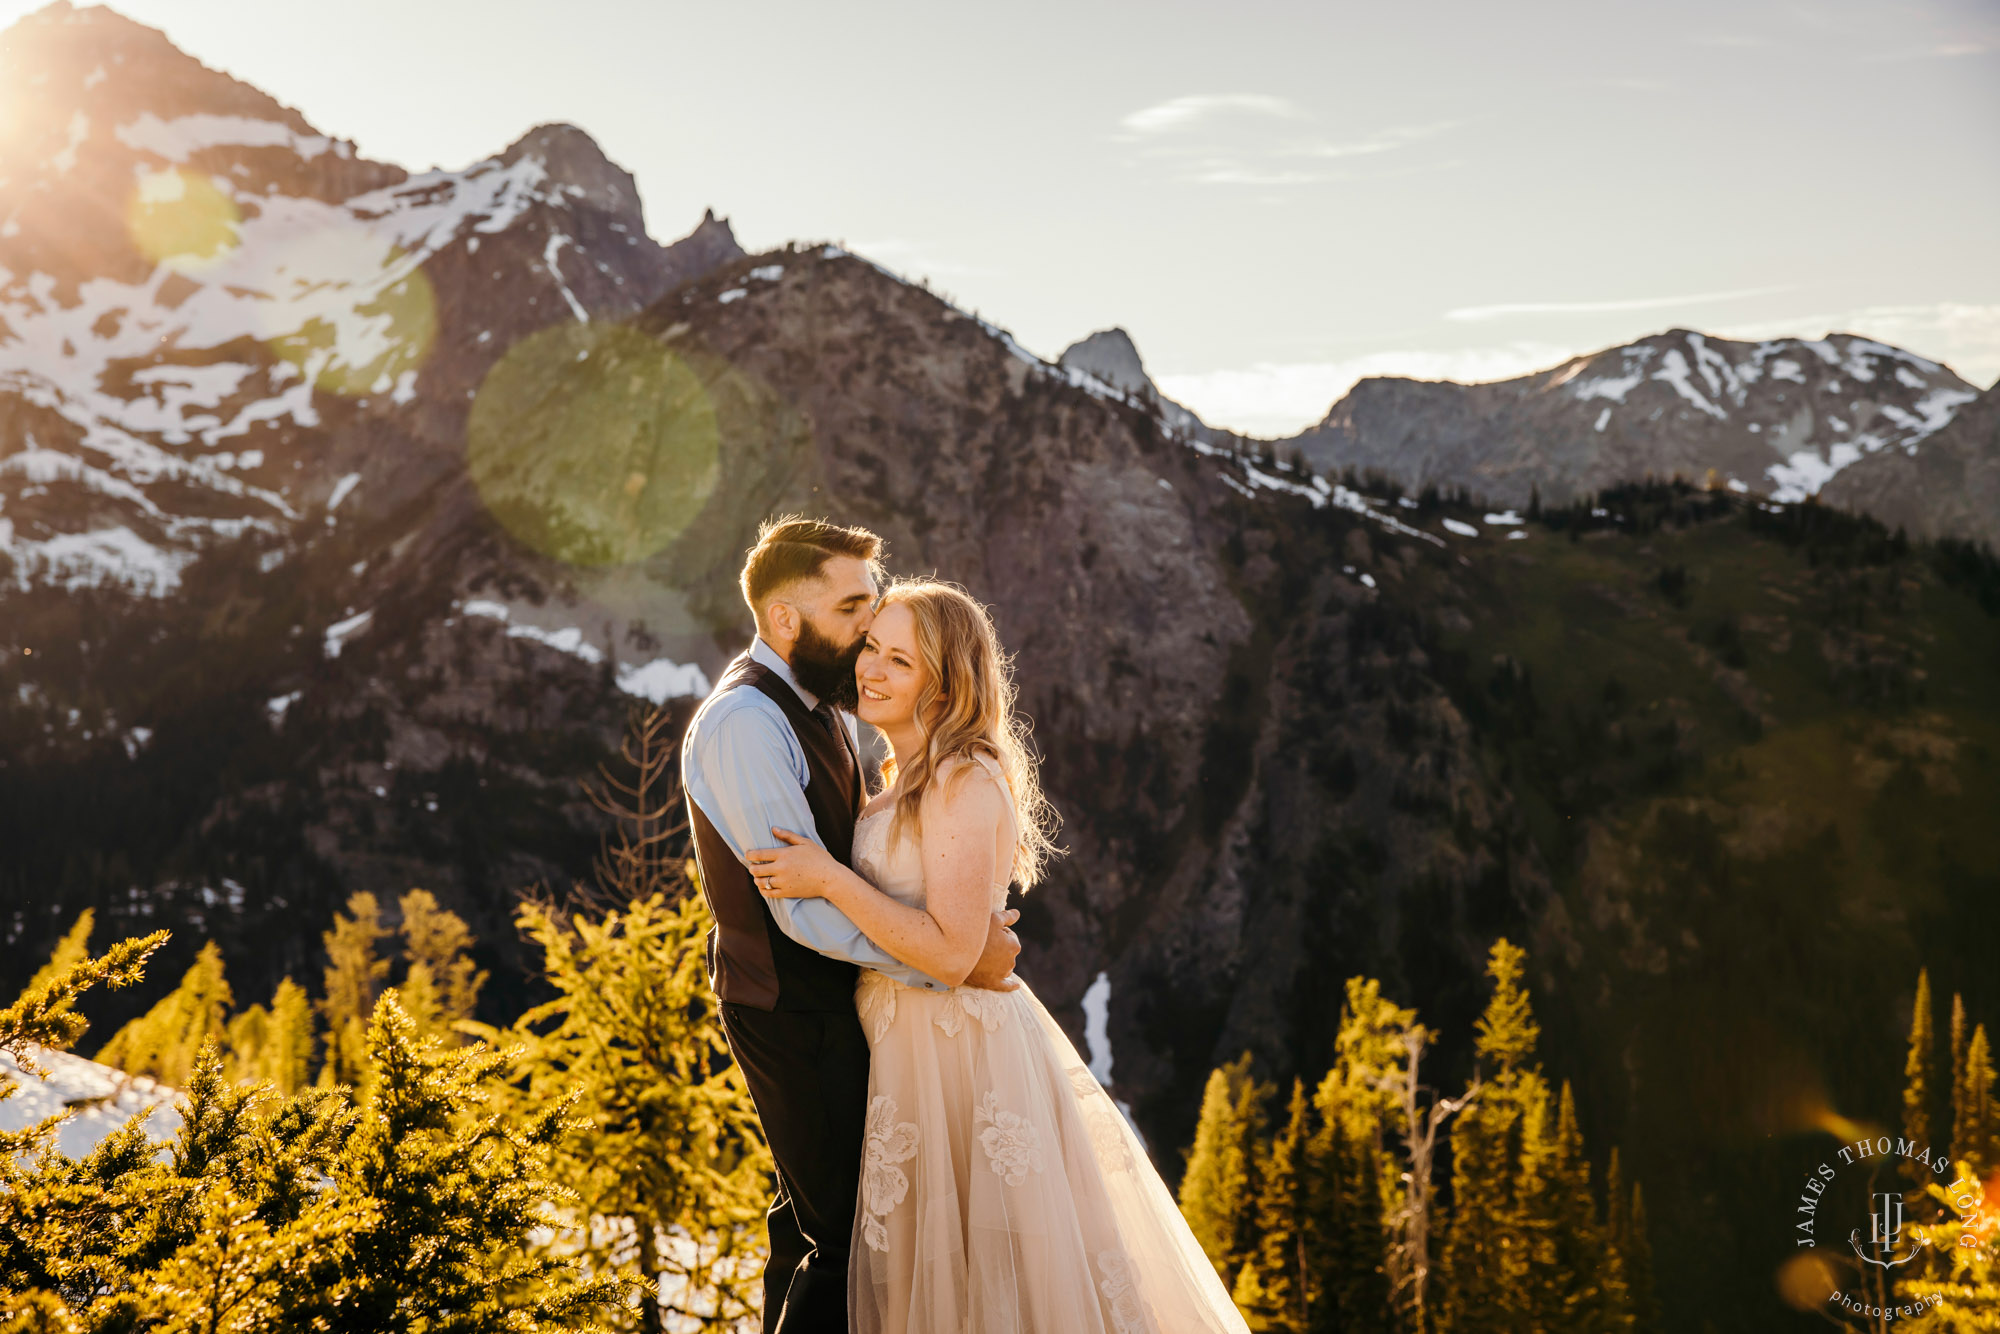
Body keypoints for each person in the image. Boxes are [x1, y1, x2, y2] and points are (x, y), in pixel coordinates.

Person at [746, 577, 1250, 1334]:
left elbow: (952, 955)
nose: (871, 671)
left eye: (899, 662)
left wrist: (830, 880)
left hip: (959, 1056)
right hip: (897, 1047)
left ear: (946, 687)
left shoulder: (964, 777)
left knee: (992, 1282)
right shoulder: (888, 784)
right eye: (871, 650)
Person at [680, 517, 1026, 1334]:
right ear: (785, 621)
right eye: (853, 612)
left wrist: (946, 947)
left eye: (876, 616)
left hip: (852, 1007)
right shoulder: (746, 724)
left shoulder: (822, 701)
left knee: (805, 1214)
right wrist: (953, 958)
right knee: (849, 1237)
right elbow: (798, 912)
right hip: (792, 1007)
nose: (868, 630)